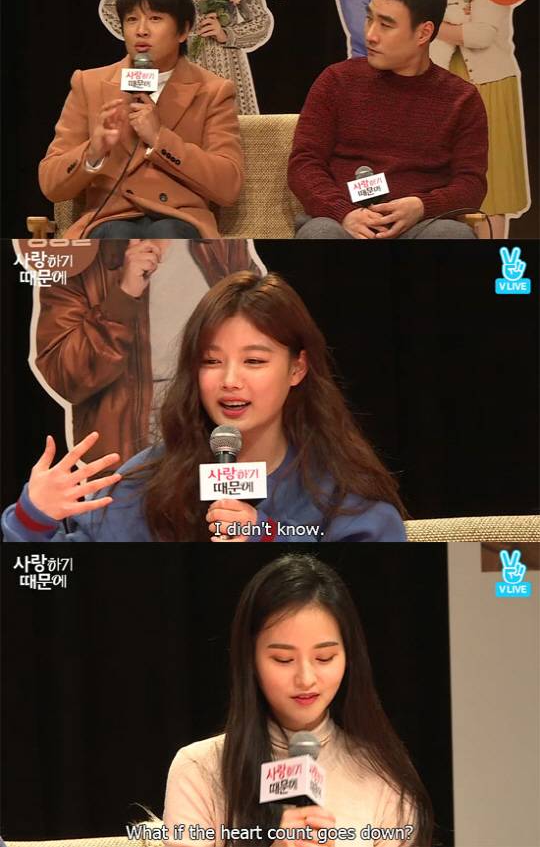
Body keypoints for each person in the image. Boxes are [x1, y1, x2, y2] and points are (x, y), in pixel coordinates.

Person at [2, 271, 407, 542]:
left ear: (297, 369)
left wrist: (268, 534)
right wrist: (32, 516)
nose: (230, 380)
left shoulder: (336, 488)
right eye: (211, 361)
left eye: (254, 361)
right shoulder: (148, 480)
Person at [163, 554, 433, 840]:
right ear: (250, 660)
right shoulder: (199, 768)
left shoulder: (385, 776)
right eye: (283, 659)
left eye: (324, 657)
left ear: (349, 656)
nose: (306, 679)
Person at [38, 0, 243, 239]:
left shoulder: (213, 91)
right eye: (132, 19)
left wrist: (159, 139)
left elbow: (228, 186)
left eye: (155, 18)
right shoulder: (89, 84)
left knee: (168, 232)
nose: (141, 30)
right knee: (117, 233)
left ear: (183, 31)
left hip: (180, 218)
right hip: (109, 218)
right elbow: (51, 184)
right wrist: (93, 151)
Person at [288, 0, 488, 240]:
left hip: (421, 225)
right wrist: (343, 212)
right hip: (342, 221)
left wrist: (422, 206)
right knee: (320, 233)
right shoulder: (337, 80)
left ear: (423, 33)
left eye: (386, 25)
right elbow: (304, 164)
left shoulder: (462, 99)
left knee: (451, 235)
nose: (370, 35)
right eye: (369, 19)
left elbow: (471, 183)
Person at [30, 238, 264, 462]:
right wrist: (123, 296)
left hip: (217, 450)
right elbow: (66, 377)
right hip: (125, 465)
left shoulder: (221, 245)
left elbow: (264, 340)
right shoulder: (78, 255)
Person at [426, 0, 530, 239]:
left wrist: (428, 25)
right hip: (443, 83)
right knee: (448, 178)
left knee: (493, 182)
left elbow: (481, 35)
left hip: (489, 84)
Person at [99, 0, 275, 114]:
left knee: (224, 126)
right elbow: (110, 7)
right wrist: (151, 34)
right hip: (168, 63)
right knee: (157, 124)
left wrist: (227, 34)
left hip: (223, 64)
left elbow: (261, 20)